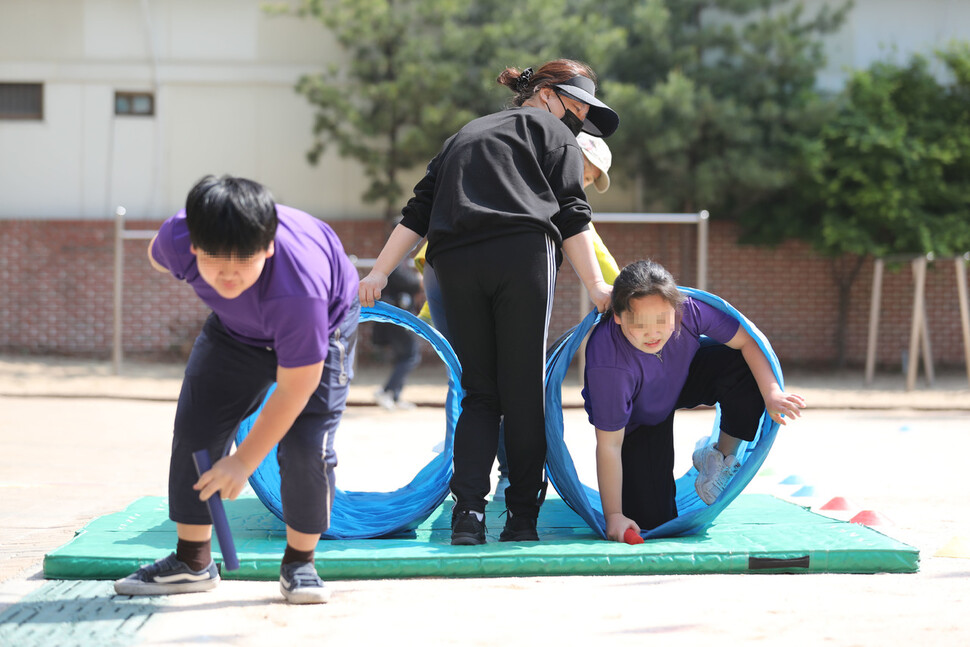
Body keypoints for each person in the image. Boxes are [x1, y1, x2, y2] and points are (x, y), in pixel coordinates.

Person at [359, 59, 619, 545]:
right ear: (546, 94)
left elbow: (418, 211)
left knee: (479, 391)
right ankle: (521, 517)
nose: (578, 120)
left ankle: (469, 516)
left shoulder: (464, 134)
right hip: (521, 253)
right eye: (577, 107)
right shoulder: (553, 133)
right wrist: (597, 287)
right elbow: (571, 213)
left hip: (453, 260)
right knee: (521, 388)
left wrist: (378, 271)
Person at [113, 175, 359, 604]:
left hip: (322, 326)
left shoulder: (299, 286)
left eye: (242, 260)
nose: (228, 274)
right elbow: (158, 257)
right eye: (214, 261)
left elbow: (295, 387)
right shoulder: (178, 237)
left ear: (268, 246)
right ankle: (192, 561)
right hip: (236, 332)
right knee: (197, 429)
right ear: (192, 245)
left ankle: (300, 563)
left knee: (305, 446)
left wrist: (244, 462)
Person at [414, 131, 620, 499]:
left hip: (448, 256)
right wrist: (622, 287)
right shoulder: (551, 172)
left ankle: (463, 461)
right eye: (587, 175)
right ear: (578, 157)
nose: (584, 184)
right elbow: (592, 244)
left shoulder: (516, 159)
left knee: (466, 376)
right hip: (488, 261)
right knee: (505, 379)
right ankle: (498, 471)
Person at [583, 260, 806, 542]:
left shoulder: (690, 310)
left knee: (741, 364)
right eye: (639, 324)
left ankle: (719, 456)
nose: (652, 333)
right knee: (654, 522)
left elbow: (749, 341)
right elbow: (609, 445)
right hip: (639, 419)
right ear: (617, 316)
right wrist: (614, 515)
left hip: (679, 378)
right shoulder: (609, 365)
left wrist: (772, 392)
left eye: (662, 320)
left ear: (677, 309)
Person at [372, 259, 423, 410]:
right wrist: (419, 280)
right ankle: (386, 391)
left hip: (396, 316)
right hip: (397, 316)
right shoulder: (393, 263)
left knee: (403, 356)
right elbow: (408, 281)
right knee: (411, 355)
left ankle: (394, 396)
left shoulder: (398, 262)